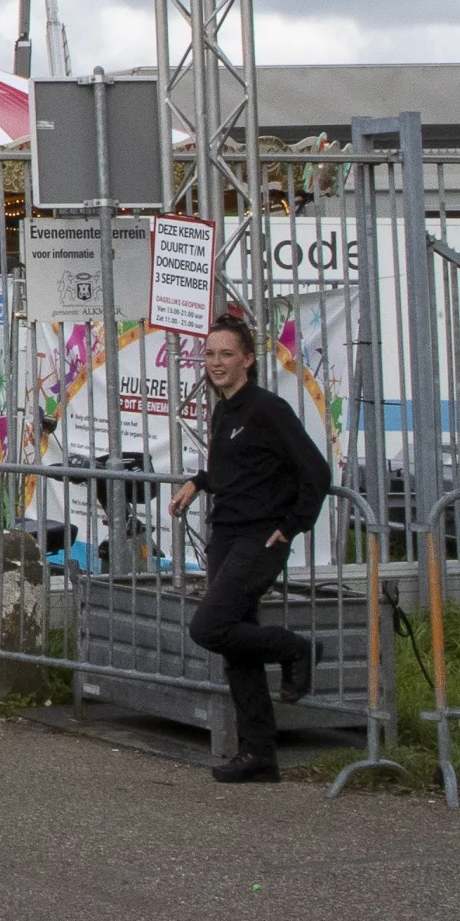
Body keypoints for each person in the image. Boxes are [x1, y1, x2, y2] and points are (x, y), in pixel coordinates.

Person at [178, 308, 332, 783]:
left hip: (260, 538)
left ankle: (296, 649)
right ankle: (258, 754)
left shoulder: (268, 409)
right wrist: (200, 481)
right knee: (236, 646)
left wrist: (292, 525)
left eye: (226, 354)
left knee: (208, 627)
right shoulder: (224, 409)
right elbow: (235, 468)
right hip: (225, 533)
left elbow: (316, 472)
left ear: (247, 359)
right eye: (209, 354)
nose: (216, 362)